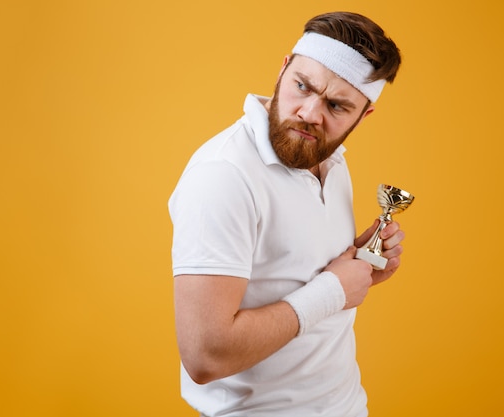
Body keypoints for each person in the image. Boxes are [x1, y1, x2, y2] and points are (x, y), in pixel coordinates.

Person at [168, 11, 404, 417]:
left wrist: (358, 266)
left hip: (347, 405)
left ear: (362, 116)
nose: (311, 113)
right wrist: (333, 291)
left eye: (336, 106)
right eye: (302, 86)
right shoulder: (224, 176)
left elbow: (303, 281)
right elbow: (205, 355)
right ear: (282, 70)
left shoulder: (330, 160)